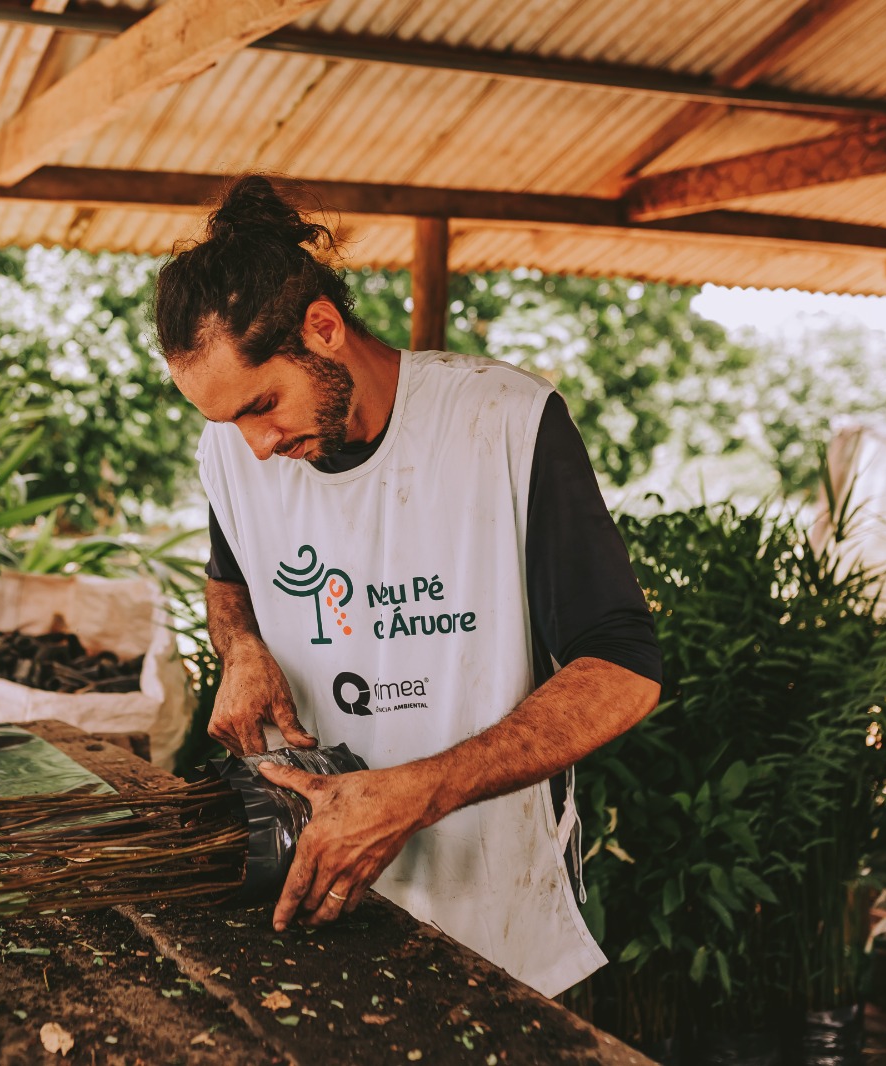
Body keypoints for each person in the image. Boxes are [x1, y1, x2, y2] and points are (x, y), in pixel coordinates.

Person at [152, 175, 662, 997]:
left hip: (496, 919)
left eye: (263, 404)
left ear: (323, 328)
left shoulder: (505, 422)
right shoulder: (234, 456)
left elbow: (624, 670)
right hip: (315, 903)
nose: (256, 445)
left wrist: (416, 793)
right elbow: (229, 580)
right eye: (228, 422)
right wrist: (240, 647)